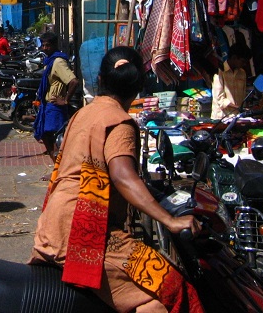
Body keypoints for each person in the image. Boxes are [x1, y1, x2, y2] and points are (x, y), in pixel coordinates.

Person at [29, 47, 203, 312]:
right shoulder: (120, 123)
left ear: (101, 78)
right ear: (138, 89)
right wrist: (170, 220)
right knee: (171, 291)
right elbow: (123, 176)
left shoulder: (82, 114)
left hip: (53, 226)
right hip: (84, 235)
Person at [34, 31, 79, 162]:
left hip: (55, 106)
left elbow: (73, 81)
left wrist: (65, 100)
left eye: (47, 45)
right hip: (47, 105)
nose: (44, 48)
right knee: (45, 133)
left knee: (51, 135)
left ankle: (58, 168)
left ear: (54, 45)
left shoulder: (58, 61)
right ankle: (57, 167)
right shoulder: (50, 61)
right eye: (43, 45)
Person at [211, 42, 251, 118]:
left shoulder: (242, 73)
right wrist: (237, 107)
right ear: (234, 58)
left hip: (237, 118)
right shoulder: (219, 71)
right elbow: (220, 99)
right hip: (221, 118)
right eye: (243, 61)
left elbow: (243, 97)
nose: (244, 64)